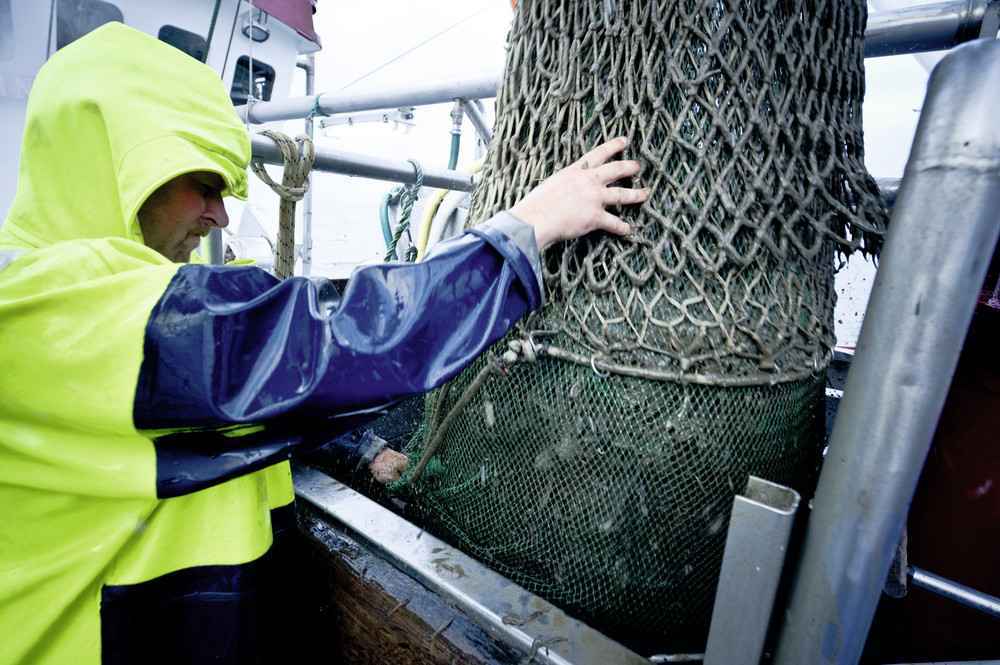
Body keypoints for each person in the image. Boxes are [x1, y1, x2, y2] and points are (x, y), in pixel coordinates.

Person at [0, 22, 647, 665]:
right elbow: (322, 344)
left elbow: (237, 407)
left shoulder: (112, 331)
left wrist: (361, 446)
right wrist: (524, 232)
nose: (222, 215)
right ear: (117, 168)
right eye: (203, 183)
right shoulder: (43, 310)